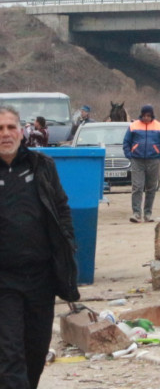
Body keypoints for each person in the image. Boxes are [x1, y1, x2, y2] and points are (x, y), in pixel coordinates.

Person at [0, 106, 80, 388]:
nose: (6, 134)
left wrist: (68, 245)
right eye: (0, 129)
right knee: (8, 355)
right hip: (3, 281)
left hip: (40, 278)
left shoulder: (42, 166)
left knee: (35, 352)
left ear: (21, 131)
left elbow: (61, 209)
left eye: (11, 127)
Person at [122, 105, 160, 223]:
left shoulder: (159, 126)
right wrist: (129, 155)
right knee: (137, 187)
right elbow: (126, 142)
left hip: (153, 160)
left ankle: (148, 213)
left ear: (152, 115)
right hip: (137, 160)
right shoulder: (133, 126)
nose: (146, 118)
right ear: (141, 115)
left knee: (151, 188)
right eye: (144, 115)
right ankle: (136, 213)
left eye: (148, 115)